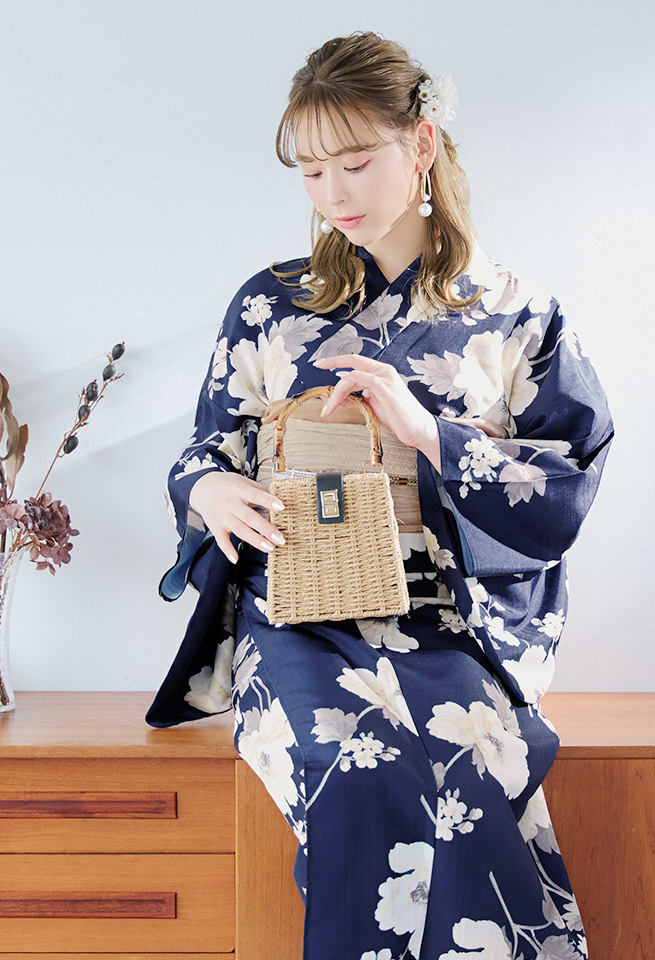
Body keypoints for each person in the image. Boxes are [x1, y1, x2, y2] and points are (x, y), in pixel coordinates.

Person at [146, 31, 613, 960]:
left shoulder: (516, 311)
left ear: (422, 143)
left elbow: (568, 475)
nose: (333, 194)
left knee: (473, 759)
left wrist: (431, 433)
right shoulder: (269, 303)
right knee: (349, 765)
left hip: (453, 621)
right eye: (311, 172)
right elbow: (206, 445)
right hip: (299, 615)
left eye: (355, 164)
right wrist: (213, 490)